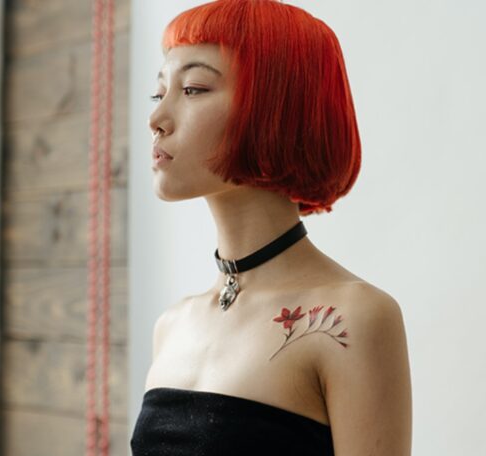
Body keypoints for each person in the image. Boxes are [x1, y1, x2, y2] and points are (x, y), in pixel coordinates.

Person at [129, 0, 412, 455]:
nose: (156, 119)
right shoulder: (173, 324)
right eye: (158, 93)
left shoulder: (352, 318)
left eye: (194, 89)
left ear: (274, 109)